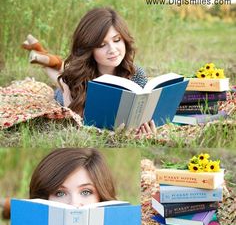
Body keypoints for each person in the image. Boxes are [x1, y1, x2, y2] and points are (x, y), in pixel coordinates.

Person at [22, 7, 156, 138]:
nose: (112, 50)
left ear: (125, 40)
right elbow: (75, 119)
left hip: (76, 73)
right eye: (102, 45)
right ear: (89, 48)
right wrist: (65, 87)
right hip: (66, 87)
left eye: (116, 40)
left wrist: (145, 126)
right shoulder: (76, 77)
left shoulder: (136, 73)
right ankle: (45, 62)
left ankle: (43, 54)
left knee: (64, 68)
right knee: (62, 77)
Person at [0, 148, 116, 225]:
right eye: (60, 193)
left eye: (86, 192)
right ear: (45, 198)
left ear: (100, 197)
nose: (74, 203)